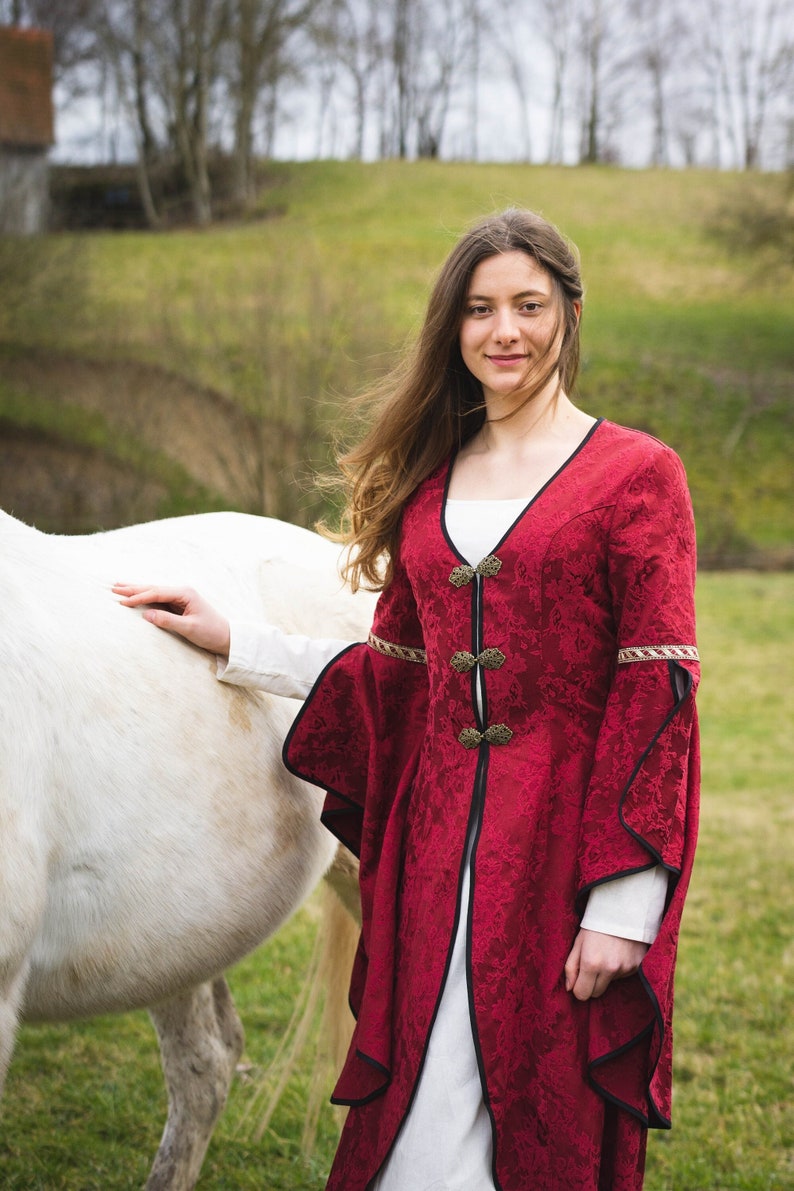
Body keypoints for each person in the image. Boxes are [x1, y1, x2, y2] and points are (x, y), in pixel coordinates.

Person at [114, 208, 700, 1191]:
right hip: (431, 865)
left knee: (531, 1119)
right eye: (478, 309)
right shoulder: (434, 486)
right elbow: (392, 673)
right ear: (453, 327)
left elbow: (656, 700)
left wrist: (624, 906)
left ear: (566, 313)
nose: (502, 330)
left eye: (526, 304)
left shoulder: (638, 475)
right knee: (414, 1127)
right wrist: (239, 639)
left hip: (561, 864)